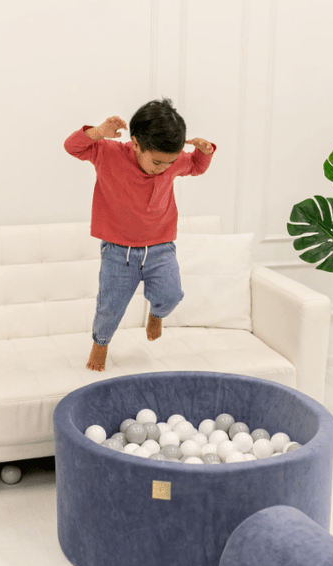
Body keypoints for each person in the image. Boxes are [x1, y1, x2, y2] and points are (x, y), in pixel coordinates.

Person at [64, 98, 216, 371]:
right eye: (157, 162)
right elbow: (72, 147)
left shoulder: (171, 161)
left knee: (172, 295)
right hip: (118, 251)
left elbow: (195, 166)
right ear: (135, 143)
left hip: (161, 247)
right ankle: (101, 343)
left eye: (169, 163)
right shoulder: (108, 153)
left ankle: (156, 314)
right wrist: (98, 132)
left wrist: (204, 151)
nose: (164, 168)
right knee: (110, 306)